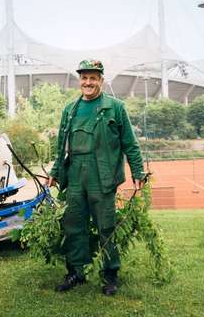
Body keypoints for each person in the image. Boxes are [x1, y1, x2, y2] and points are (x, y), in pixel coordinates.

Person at [47, 59, 144, 296]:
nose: (88, 82)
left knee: (106, 226)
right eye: (84, 78)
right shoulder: (69, 110)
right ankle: (76, 272)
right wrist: (55, 172)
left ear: (101, 80)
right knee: (74, 225)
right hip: (75, 173)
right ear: (79, 80)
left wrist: (138, 171)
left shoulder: (116, 107)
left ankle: (110, 275)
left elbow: (130, 143)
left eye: (93, 78)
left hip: (102, 174)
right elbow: (61, 146)